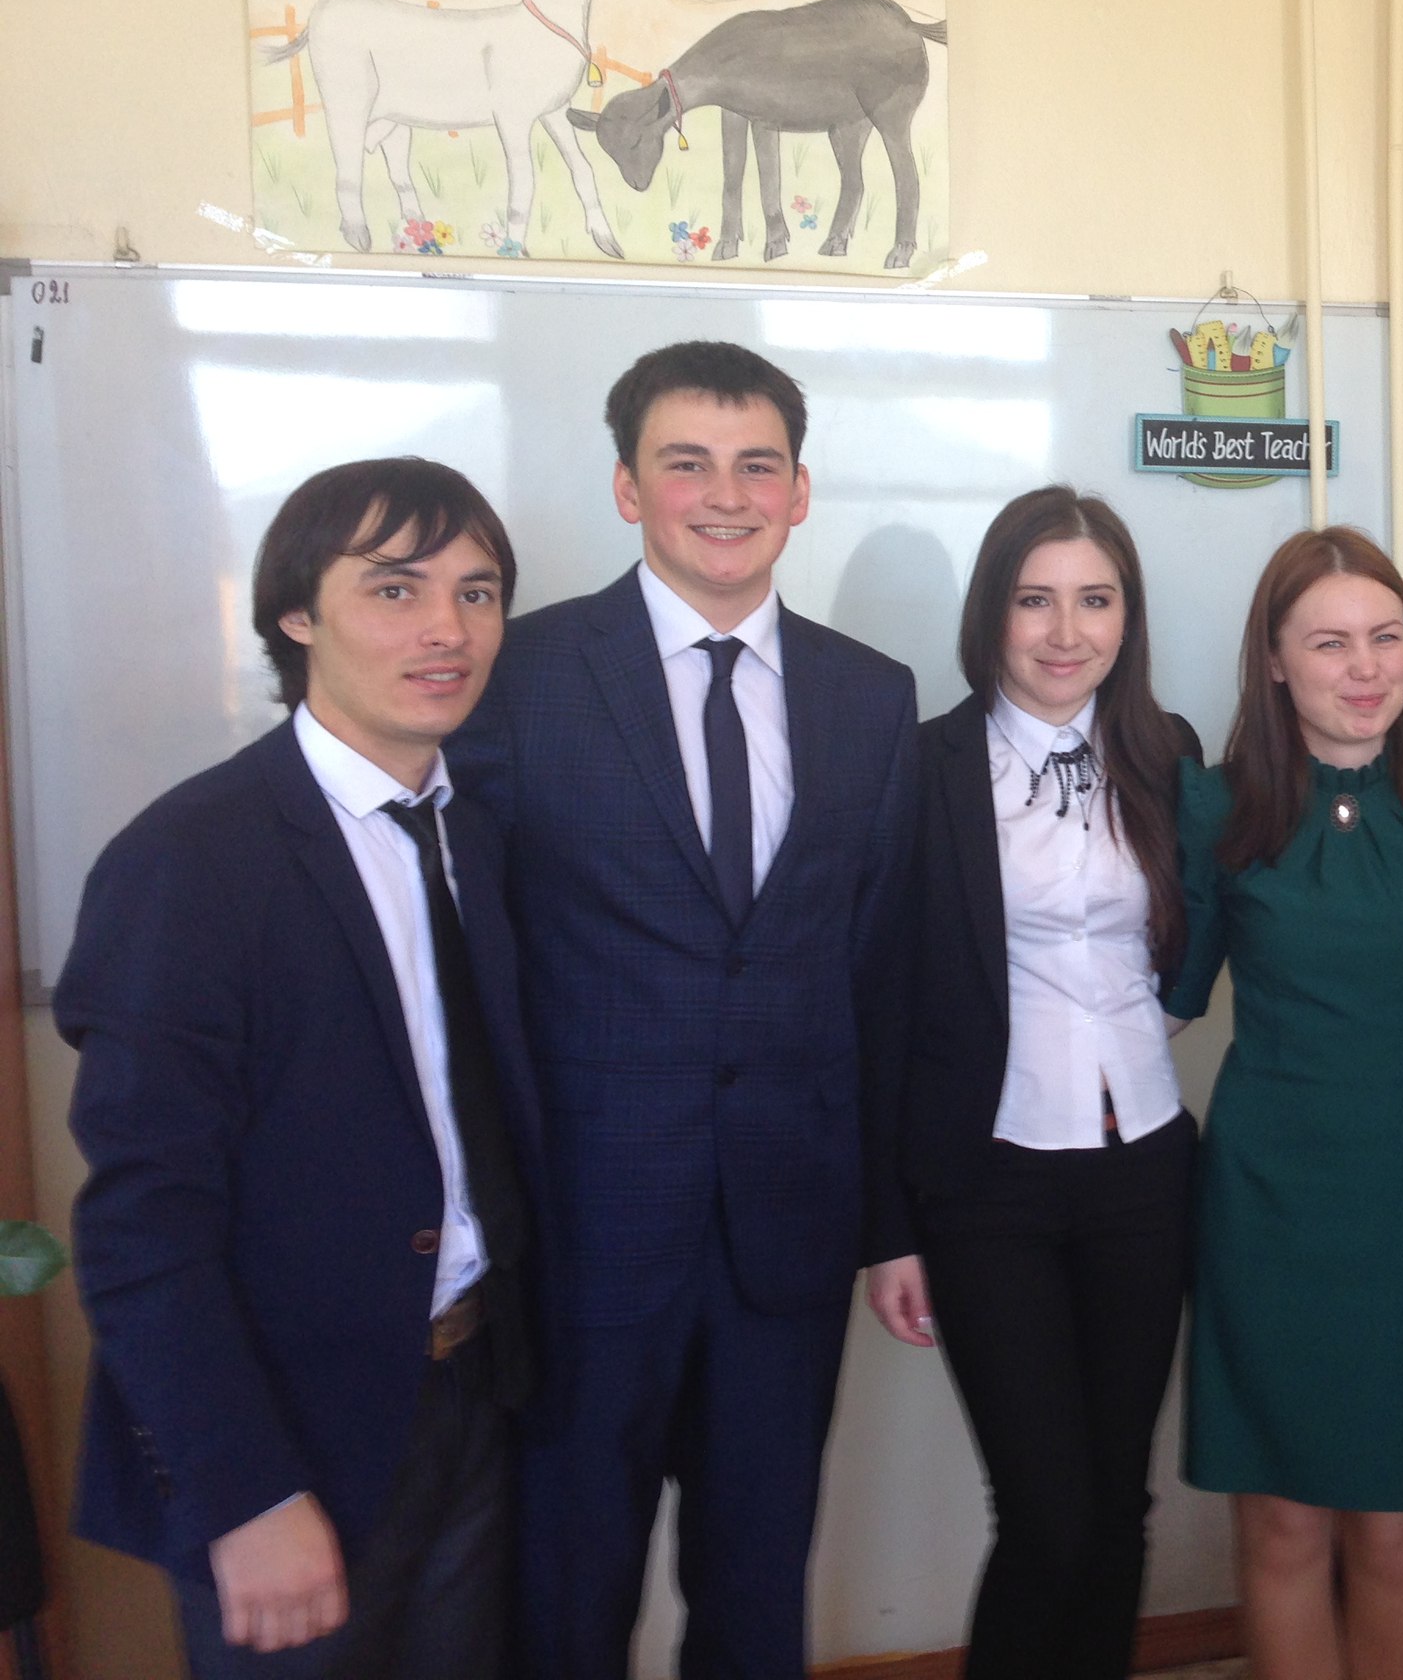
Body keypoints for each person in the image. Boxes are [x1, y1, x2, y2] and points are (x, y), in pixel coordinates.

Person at [448, 341, 920, 1680]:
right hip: (585, 1236)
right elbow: (469, 962)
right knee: (567, 1598)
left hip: (787, 1234)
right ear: (626, 487)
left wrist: (887, 1221)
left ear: (800, 492)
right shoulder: (519, 675)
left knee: (757, 1595)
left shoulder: (870, 696)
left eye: (757, 465)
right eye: (687, 464)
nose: (726, 495)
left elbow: (876, 979)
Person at [60, 459, 538, 1677]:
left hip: (471, 1398)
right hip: (290, 1437)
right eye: (395, 589)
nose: (447, 628)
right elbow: (141, 1223)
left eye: (478, 593)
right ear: (296, 614)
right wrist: (245, 1493)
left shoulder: (476, 835)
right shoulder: (190, 860)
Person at [863, 486, 1202, 1679]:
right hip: (987, 1181)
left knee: (1117, 1505)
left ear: (1127, 616)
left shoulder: (1166, 752)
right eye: (1034, 600)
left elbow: (1194, 939)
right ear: (991, 615)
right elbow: (878, 1006)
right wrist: (887, 1229)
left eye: (1095, 601)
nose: (1067, 633)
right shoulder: (923, 766)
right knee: (1046, 1514)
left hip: (1143, 1168)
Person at [1164, 526, 1403, 1680]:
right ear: (1274, 660)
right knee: (1283, 1520)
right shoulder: (1213, 808)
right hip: (1268, 1205)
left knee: (1398, 1525)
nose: (1365, 667)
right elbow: (1158, 1005)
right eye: (1330, 642)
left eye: (1385, 637)